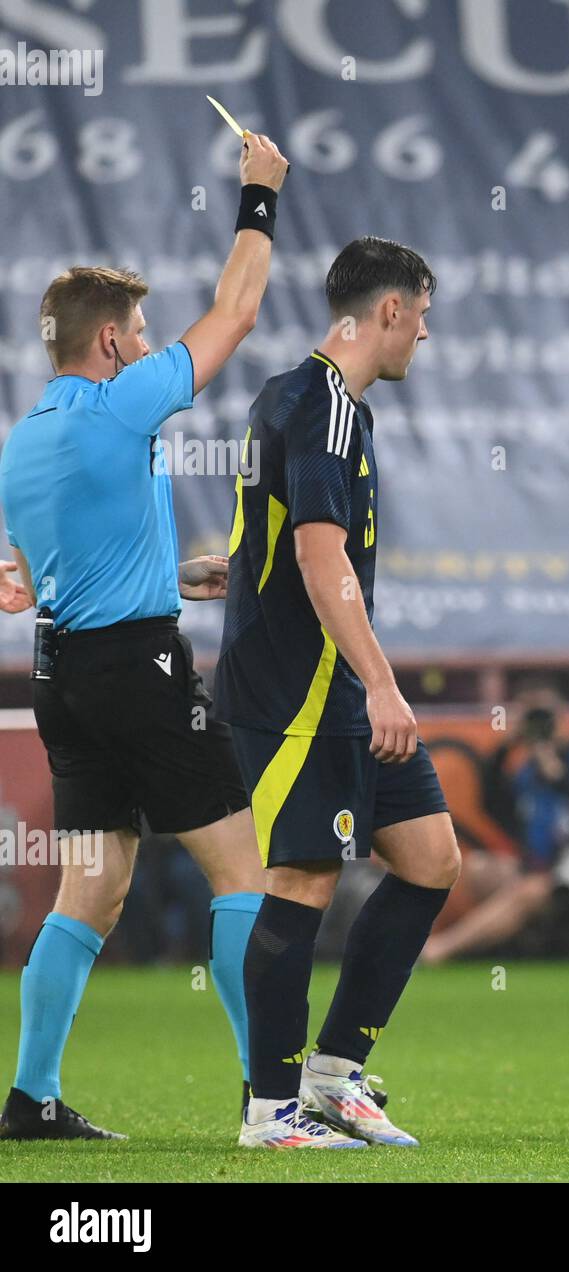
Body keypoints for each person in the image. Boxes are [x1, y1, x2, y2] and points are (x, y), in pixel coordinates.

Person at [0, 134, 289, 1141]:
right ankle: (272, 1099)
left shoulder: (24, 437)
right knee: (240, 870)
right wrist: (258, 199)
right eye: (141, 326)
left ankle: (30, 1100)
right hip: (139, 669)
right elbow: (238, 313)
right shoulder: (123, 406)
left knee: (94, 884)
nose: (149, 337)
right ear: (115, 343)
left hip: (62, 675)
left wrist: (169, 579)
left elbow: (44, 582)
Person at [213, 236, 461, 1149]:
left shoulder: (291, 396)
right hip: (297, 691)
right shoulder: (322, 409)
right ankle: (271, 1113)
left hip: (329, 685)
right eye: (423, 315)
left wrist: (227, 571)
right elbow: (323, 565)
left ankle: (334, 1075)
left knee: (431, 858)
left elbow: (274, 539)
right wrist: (384, 684)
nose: (424, 335)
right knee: (302, 878)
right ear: (389, 310)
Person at [420, 682, 569, 964]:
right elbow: (493, 804)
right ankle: (492, 945)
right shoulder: (528, 772)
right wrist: (508, 745)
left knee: (529, 890)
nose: (540, 723)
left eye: (544, 714)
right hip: (541, 868)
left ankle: (438, 952)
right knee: (479, 868)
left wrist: (559, 777)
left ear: (564, 715)